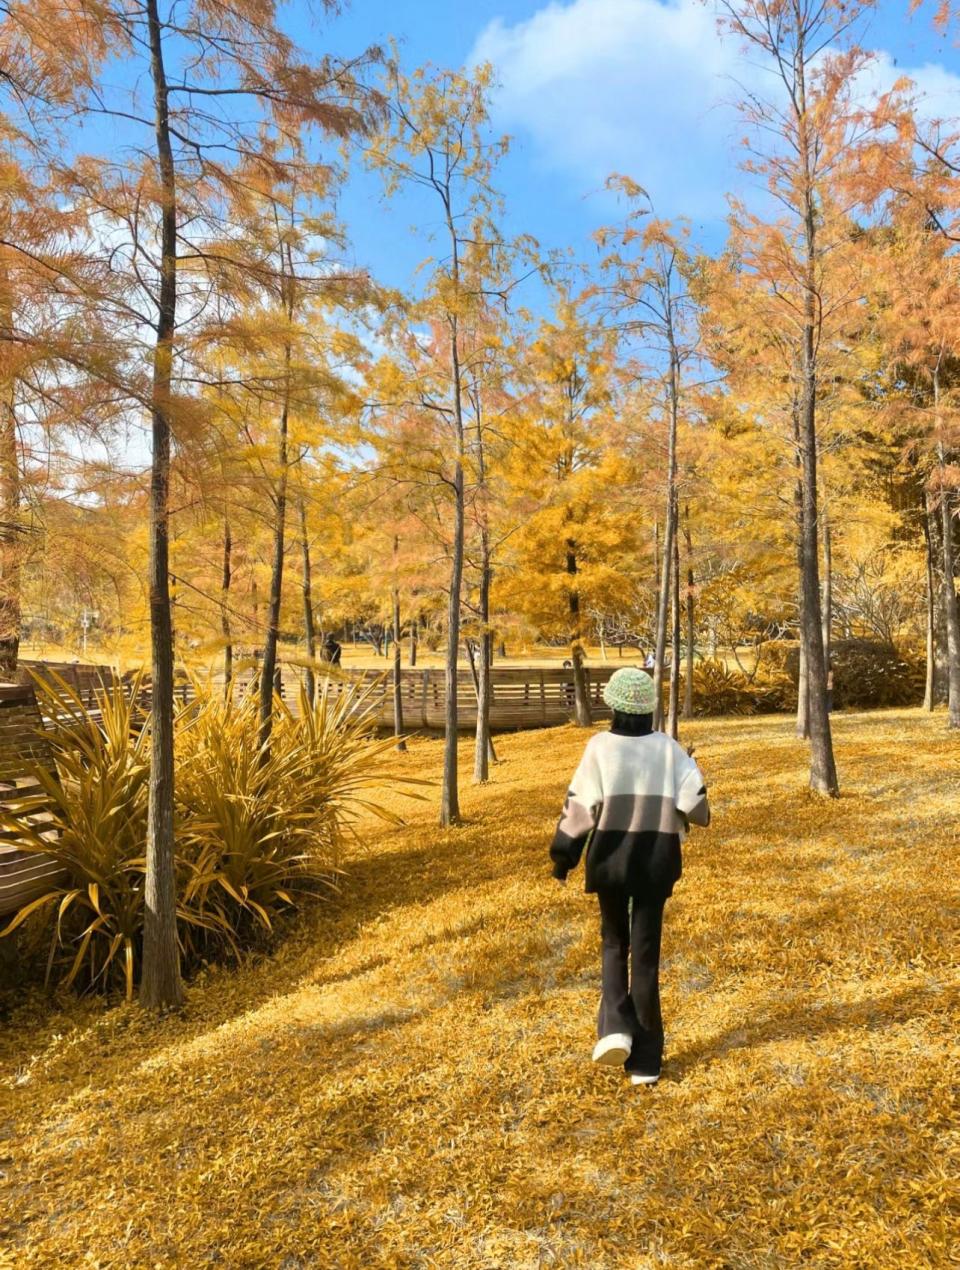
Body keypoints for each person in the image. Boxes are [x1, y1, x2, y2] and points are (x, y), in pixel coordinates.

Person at [549, 666, 710, 1087]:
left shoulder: (600, 747)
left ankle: (616, 1027)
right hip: (656, 862)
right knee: (646, 955)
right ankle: (646, 1063)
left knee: (613, 942)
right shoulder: (667, 748)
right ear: (648, 709)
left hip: (612, 861)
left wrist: (563, 857)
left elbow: (579, 807)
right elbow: (695, 801)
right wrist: (686, 780)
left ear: (613, 706)